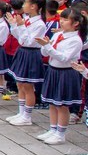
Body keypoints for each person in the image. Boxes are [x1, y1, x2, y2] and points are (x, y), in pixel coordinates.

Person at [36, 9, 86, 145]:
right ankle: (53, 129)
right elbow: (46, 52)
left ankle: (60, 133)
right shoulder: (59, 35)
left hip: (66, 73)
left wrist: (48, 47)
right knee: (52, 102)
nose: (61, 22)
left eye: (65, 20)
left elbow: (64, 58)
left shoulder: (76, 40)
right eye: (61, 19)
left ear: (75, 23)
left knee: (62, 104)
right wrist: (45, 46)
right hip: (53, 70)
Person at [4, 0, 47, 126]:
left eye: (25, 4)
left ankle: (27, 116)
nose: (23, 6)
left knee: (28, 86)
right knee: (20, 84)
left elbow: (28, 41)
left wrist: (21, 26)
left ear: (33, 6)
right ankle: (21, 112)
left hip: (31, 53)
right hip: (23, 51)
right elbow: (18, 37)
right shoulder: (27, 19)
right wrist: (14, 24)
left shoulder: (39, 24)